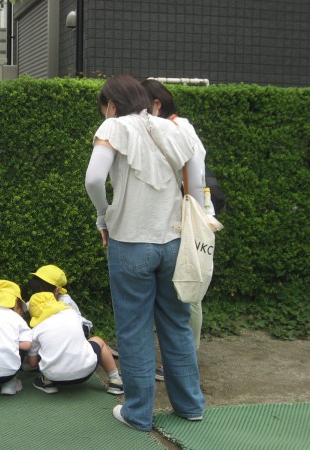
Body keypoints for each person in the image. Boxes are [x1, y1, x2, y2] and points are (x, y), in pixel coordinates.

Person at [84, 75, 205, 431]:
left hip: (130, 241)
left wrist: (103, 214)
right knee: (177, 323)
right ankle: (191, 406)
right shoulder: (175, 129)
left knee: (134, 329)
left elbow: (93, 179)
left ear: (111, 104)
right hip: (173, 241)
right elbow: (195, 184)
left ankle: (138, 413)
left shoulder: (113, 126)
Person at [141, 78, 214, 380]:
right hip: (185, 216)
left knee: (189, 289)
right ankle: (182, 357)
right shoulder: (173, 126)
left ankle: (187, 358)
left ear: (156, 105)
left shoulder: (180, 127)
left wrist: (192, 218)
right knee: (182, 287)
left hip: (190, 218)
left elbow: (194, 176)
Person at [26, 292, 123, 395]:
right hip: (87, 370)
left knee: (45, 348)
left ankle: (48, 382)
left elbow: (32, 364)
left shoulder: (36, 329)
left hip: (54, 375)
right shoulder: (72, 313)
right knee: (98, 340)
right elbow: (86, 330)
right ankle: (115, 381)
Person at [27, 265, 93, 337]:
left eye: (42, 290)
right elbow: (27, 305)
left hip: (80, 327)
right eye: (36, 291)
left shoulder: (65, 302)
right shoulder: (38, 298)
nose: (39, 294)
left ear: (56, 291)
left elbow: (73, 323)